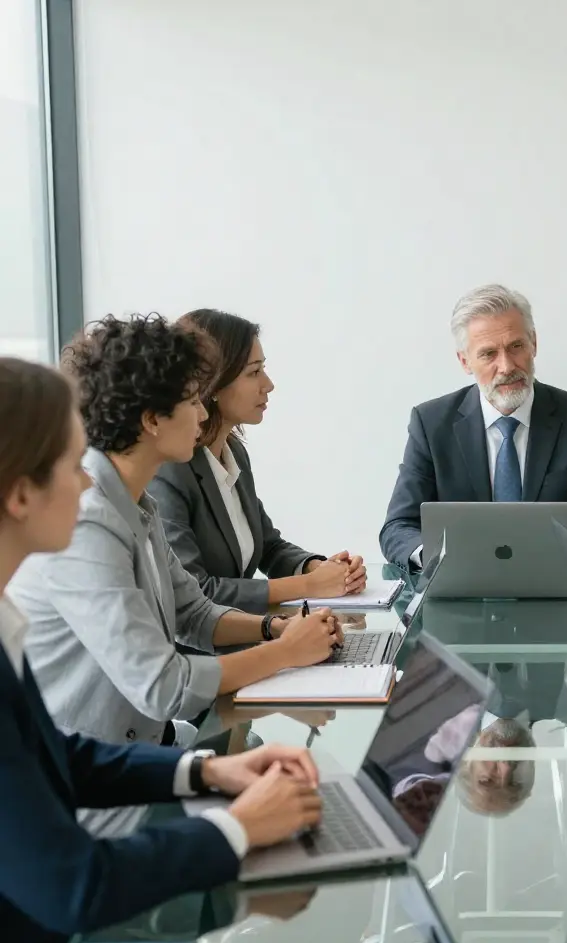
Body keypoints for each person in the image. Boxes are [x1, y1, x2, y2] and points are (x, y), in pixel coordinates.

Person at [0, 355, 324, 943]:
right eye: (68, 462)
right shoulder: (94, 525)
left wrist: (208, 770)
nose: (84, 477)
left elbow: (63, 755)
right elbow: (76, 886)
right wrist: (237, 826)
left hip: (42, 931)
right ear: (20, 495)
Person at [8, 315, 341, 833]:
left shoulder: (135, 503)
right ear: (152, 421)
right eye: (192, 400)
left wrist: (276, 629)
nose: (203, 410)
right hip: (97, 801)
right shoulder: (87, 518)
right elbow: (164, 686)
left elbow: (194, 612)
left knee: (312, 795)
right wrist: (285, 653)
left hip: (147, 755)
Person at [379, 284, 567, 572]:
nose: (507, 366)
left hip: (554, 591)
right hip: (459, 595)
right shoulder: (431, 423)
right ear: (465, 361)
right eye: (488, 354)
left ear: (533, 343)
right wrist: (437, 560)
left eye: (516, 346)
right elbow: (397, 528)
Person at [149, 308, 366, 615]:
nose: (268, 384)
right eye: (254, 372)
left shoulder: (233, 452)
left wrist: (321, 569)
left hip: (244, 637)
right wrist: (310, 586)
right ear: (213, 384)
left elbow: (269, 547)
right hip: (202, 653)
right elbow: (198, 591)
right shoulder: (170, 470)